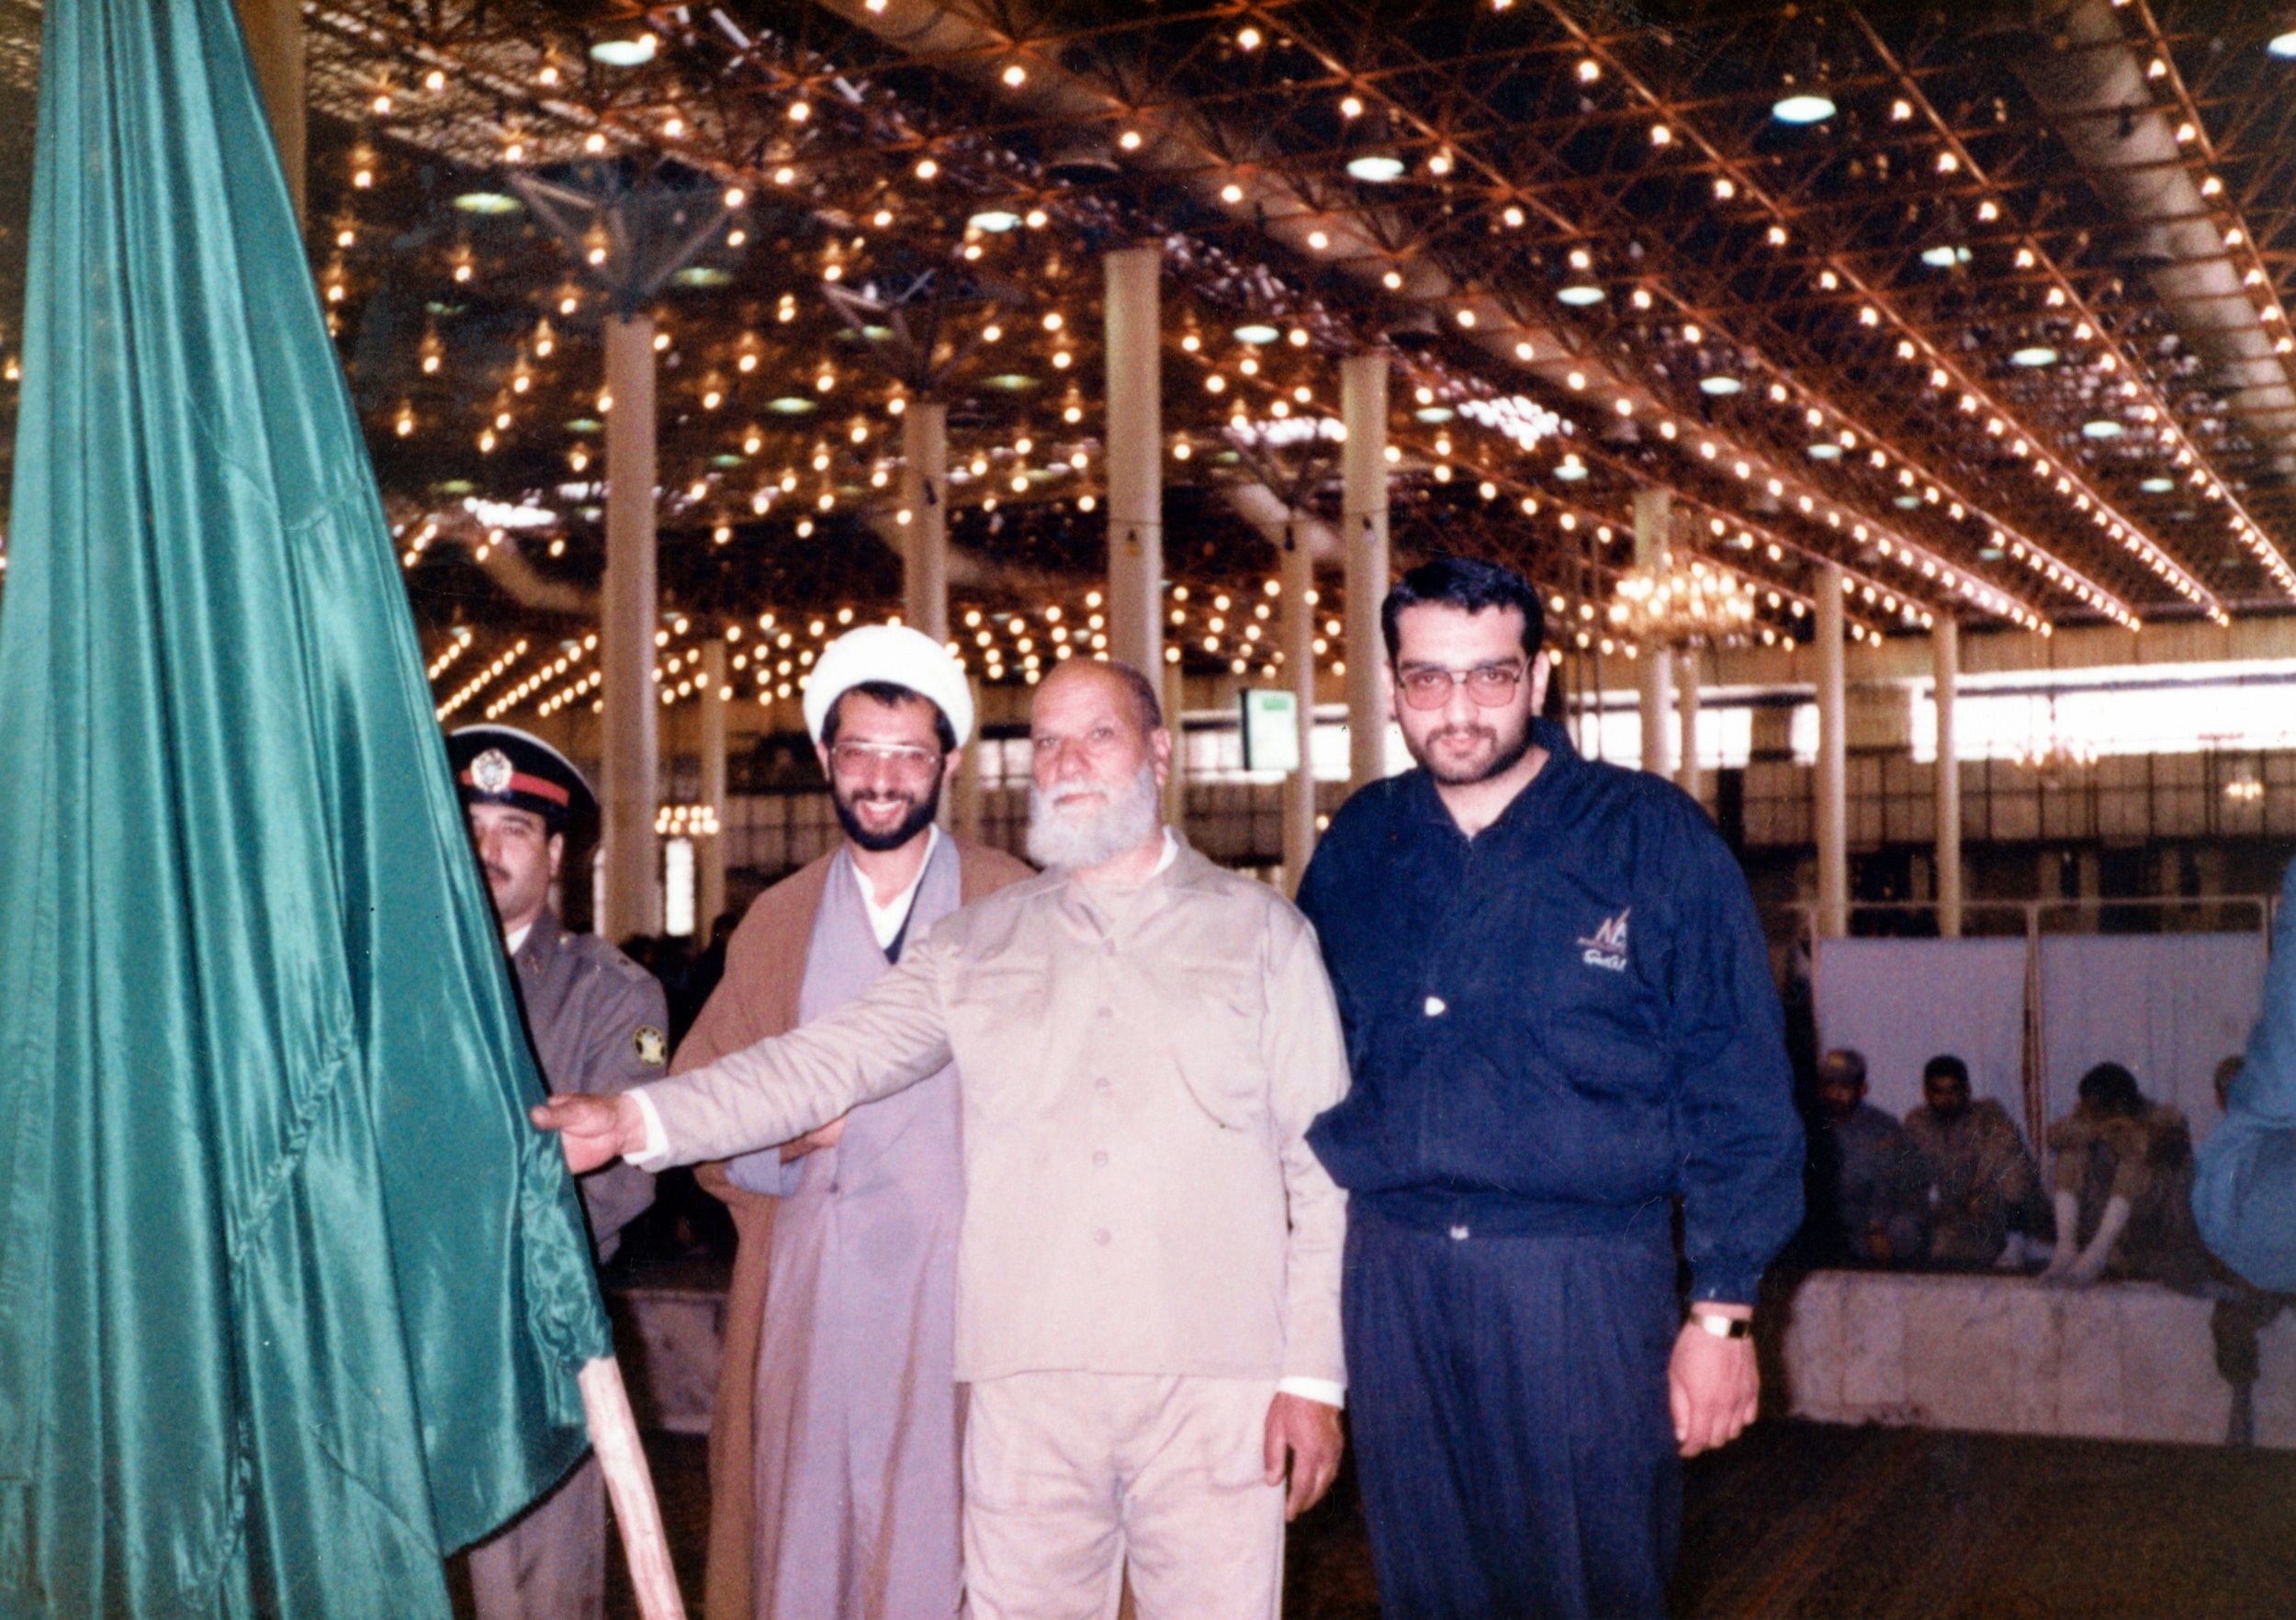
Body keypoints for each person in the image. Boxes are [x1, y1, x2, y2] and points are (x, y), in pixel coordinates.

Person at [535, 658, 1350, 1620]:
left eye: (1099, 736)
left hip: (1214, 1384)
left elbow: (1321, 1173)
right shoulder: (977, 941)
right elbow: (823, 1060)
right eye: (1047, 742)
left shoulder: (1262, 933)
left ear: (1159, 753)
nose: (1069, 762)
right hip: (1023, 1391)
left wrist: (1311, 1378)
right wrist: (636, 1119)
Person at [1293, 555, 1803, 1620]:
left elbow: (1738, 1083)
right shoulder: (1358, 847)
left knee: (1588, 1586)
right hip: (1394, 1276)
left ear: (1538, 676)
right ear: (1390, 685)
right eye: (1428, 679)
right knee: (1427, 1594)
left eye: (1490, 676)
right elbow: (1300, 1063)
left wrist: (1722, 1312)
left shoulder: (1645, 835)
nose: (1459, 709)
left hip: (1580, 1280)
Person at [673, 625, 1031, 1620]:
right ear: (826, 757)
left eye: (908, 754)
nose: (881, 779)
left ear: (947, 764)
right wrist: (797, 1136)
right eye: (860, 751)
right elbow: (705, 1105)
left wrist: (900, 1127)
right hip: (812, 1297)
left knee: (953, 1550)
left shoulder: (1012, 902)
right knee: (807, 1549)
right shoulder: (777, 920)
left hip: (964, 1300)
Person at [445, 724, 666, 1620]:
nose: (487, 851)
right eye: (470, 827)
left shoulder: (614, 994)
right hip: (399, 1336)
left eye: (515, 830)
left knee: (533, 1598)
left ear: (558, 853)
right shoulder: (391, 985)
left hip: (534, 1346)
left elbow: (623, 1179)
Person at [2043, 1061, 2204, 1289]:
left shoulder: (2165, 1117)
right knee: (2072, 1151)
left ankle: (2098, 1253)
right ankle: (2066, 1248)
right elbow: (2054, 1135)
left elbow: (2151, 1144)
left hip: (2153, 1235)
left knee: (2137, 1158)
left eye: (2095, 1110)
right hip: (2110, 1230)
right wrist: (2100, 1130)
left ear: (2119, 1106)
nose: (2089, 1114)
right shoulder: (2093, 1115)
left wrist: (2117, 1132)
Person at [1901, 1054, 2042, 1268]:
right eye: (1938, 1091)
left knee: (2010, 1160)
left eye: (1953, 1090)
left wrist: (1977, 1189)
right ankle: (1998, 1249)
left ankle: (2018, 1239)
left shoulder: (1987, 1113)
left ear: (1966, 1090)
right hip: (1959, 1215)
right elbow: (1909, 1175)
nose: (1946, 1099)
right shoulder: (1918, 1123)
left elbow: (2006, 1153)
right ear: (1927, 1093)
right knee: (1941, 1250)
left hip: (1998, 1206)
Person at [1814, 1049, 1930, 1266]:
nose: (1835, 1094)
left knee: (1904, 1230)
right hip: (1828, 1217)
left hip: (1871, 1216)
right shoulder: (1810, 1124)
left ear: (1862, 1089)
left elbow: (1886, 1184)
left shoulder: (1882, 1126)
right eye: (1829, 1085)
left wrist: (1876, 1227)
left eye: (1844, 1086)